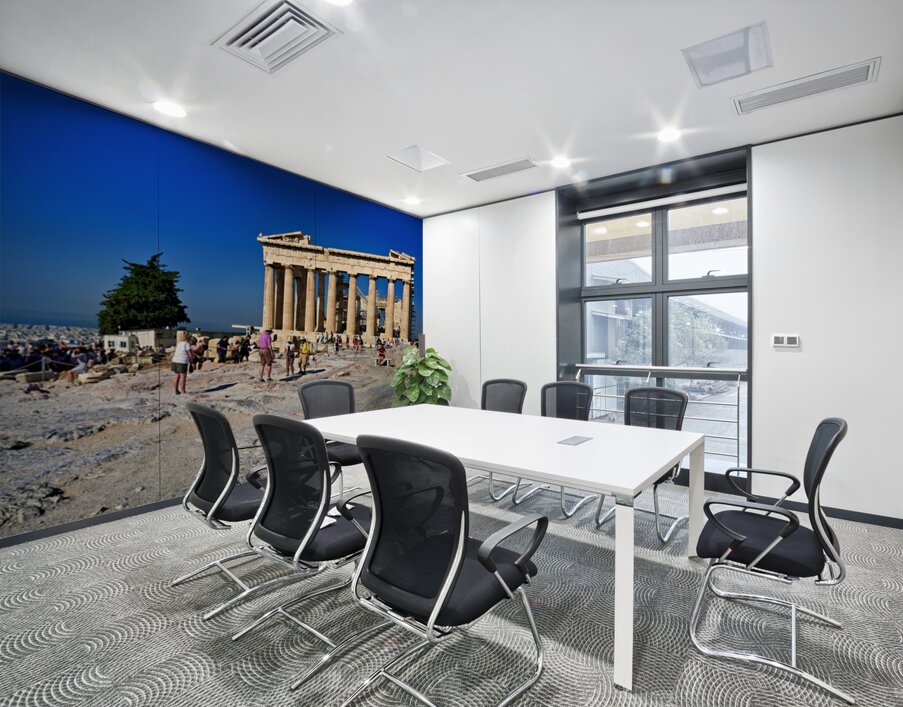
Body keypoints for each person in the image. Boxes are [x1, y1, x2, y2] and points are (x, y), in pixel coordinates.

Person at [171, 330, 191, 395]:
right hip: (182, 361)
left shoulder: (179, 343)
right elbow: (189, 354)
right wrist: (191, 360)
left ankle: (175, 390)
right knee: (183, 376)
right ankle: (183, 391)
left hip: (175, 360)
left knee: (176, 375)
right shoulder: (187, 344)